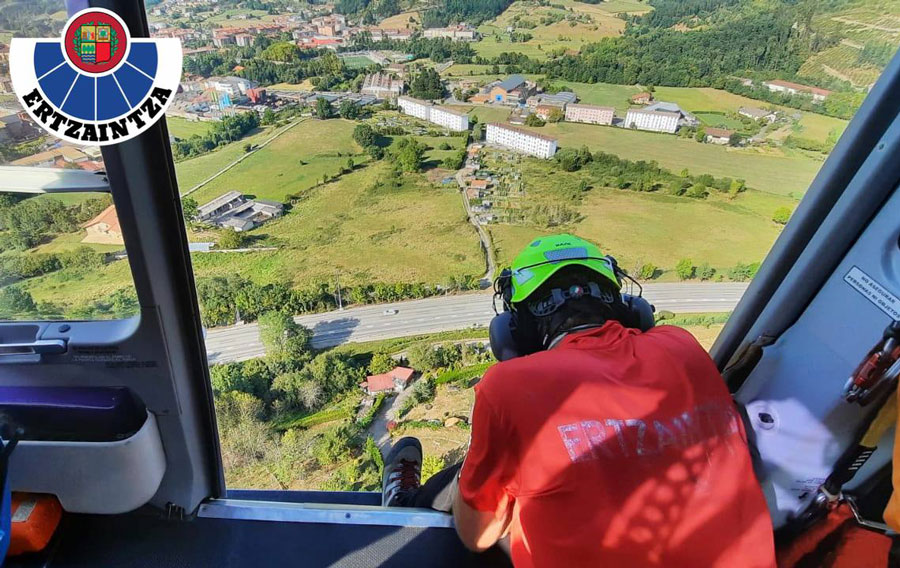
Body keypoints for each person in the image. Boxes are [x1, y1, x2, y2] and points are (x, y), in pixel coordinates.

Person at [382, 234, 776, 568]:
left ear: (514, 332)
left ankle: (405, 502)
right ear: (631, 312)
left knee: (477, 484)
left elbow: (478, 536)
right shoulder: (683, 346)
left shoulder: (510, 385)